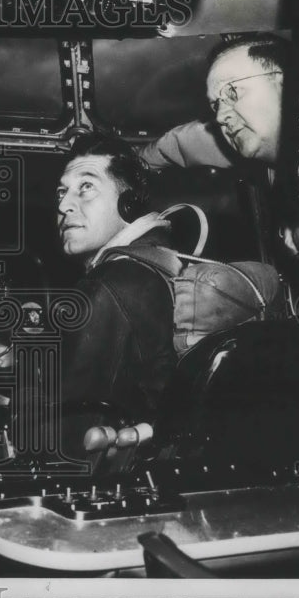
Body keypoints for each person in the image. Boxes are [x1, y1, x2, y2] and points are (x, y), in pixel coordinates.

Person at [139, 33, 299, 302]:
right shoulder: (265, 150)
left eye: (232, 92)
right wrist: (131, 163)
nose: (220, 116)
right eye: (216, 104)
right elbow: (183, 142)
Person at [56, 131, 178, 426]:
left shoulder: (110, 285)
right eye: (62, 192)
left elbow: (70, 429)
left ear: (129, 205)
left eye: (86, 187)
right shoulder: (159, 261)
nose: (63, 206)